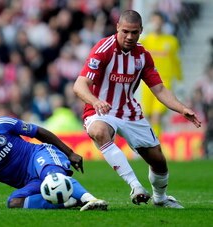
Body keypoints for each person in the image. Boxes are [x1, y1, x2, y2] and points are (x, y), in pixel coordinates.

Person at [73, 10, 201, 209]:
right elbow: (80, 85)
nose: (130, 37)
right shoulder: (103, 49)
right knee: (99, 131)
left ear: (141, 31)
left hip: (129, 111)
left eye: (135, 32)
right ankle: (136, 186)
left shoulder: (143, 56)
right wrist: (95, 101)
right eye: (126, 31)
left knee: (158, 160)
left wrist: (182, 108)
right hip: (101, 110)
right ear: (117, 27)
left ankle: (160, 198)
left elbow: (158, 88)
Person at [139, 11, 183, 136]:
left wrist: (180, 80)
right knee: (147, 114)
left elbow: (176, 61)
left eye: (159, 21)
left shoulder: (171, 41)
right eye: (154, 21)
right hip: (147, 83)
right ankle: (150, 141)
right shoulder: (145, 40)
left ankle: (155, 144)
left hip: (165, 82)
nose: (156, 24)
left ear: (163, 23)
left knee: (157, 115)